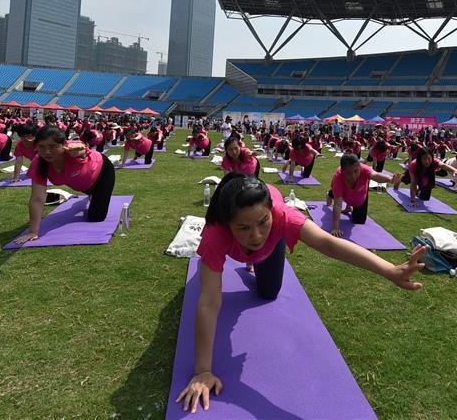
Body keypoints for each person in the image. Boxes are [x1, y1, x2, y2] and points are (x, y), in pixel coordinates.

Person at [176, 172, 427, 413]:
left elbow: (328, 243)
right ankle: (219, 262)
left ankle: (253, 260)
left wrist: (389, 270)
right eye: (243, 228)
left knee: (268, 292)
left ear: (270, 213)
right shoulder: (215, 234)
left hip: (271, 248)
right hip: (228, 247)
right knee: (215, 269)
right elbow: (209, 303)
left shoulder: (283, 216)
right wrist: (202, 371)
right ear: (228, 223)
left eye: (263, 222)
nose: (256, 235)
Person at [14, 126, 116, 244]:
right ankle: (92, 195)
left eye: (53, 147)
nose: (47, 152)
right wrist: (33, 231)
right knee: (85, 188)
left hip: (102, 173)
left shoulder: (73, 149)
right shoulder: (38, 163)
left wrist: (80, 152)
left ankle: (95, 195)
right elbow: (37, 199)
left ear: (63, 144)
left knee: (96, 218)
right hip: (82, 182)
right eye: (41, 147)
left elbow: (82, 149)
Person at [326, 153, 401, 236]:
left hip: (360, 194)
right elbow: (337, 205)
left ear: (359, 167)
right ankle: (329, 194)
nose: (353, 175)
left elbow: (376, 176)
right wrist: (335, 227)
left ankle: (348, 206)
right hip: (343, 192)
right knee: (336, 193)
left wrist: (390, 179)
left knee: (359, 221)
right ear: (343, 172)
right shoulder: (338, 177)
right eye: (348, 173)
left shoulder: (364, 169)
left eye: (356, 171)